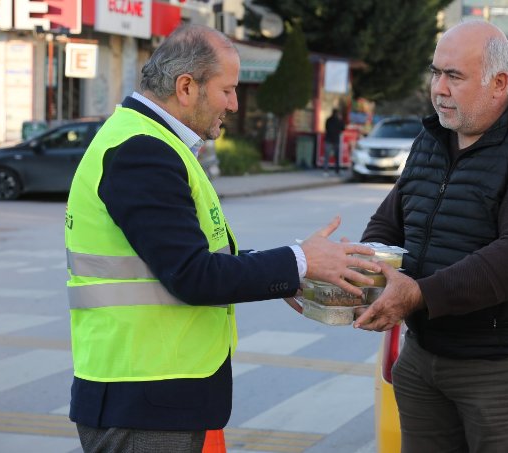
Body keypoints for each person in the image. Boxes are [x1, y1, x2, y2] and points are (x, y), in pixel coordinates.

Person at [64, 24, 379, 452]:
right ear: (186, 87)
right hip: (143, 397)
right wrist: (298, 261)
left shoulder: (153, 143)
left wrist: (298, 266)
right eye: (227, 90)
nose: (233, 103)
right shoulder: (143, 151)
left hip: (154, 392)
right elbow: (193, 275)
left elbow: (192, 259)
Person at [354, 20, 508, 453]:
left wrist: (417, 295)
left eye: (454, 76)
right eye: (435, 72)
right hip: (424, 358)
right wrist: (365, 274)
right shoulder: (431, 138)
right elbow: (389, 223)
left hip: (504, 369)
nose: (438, 88)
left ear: (499, 83)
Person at [323, 108, 345, 176]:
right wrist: (341, 120)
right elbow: (343, 128)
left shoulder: (328, 120)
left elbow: (326, 128)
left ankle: (326, 171)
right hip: (336, 140)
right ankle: (337, 170)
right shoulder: (339, 120)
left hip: (328, 139)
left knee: (327, 156)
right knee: (337, 156)